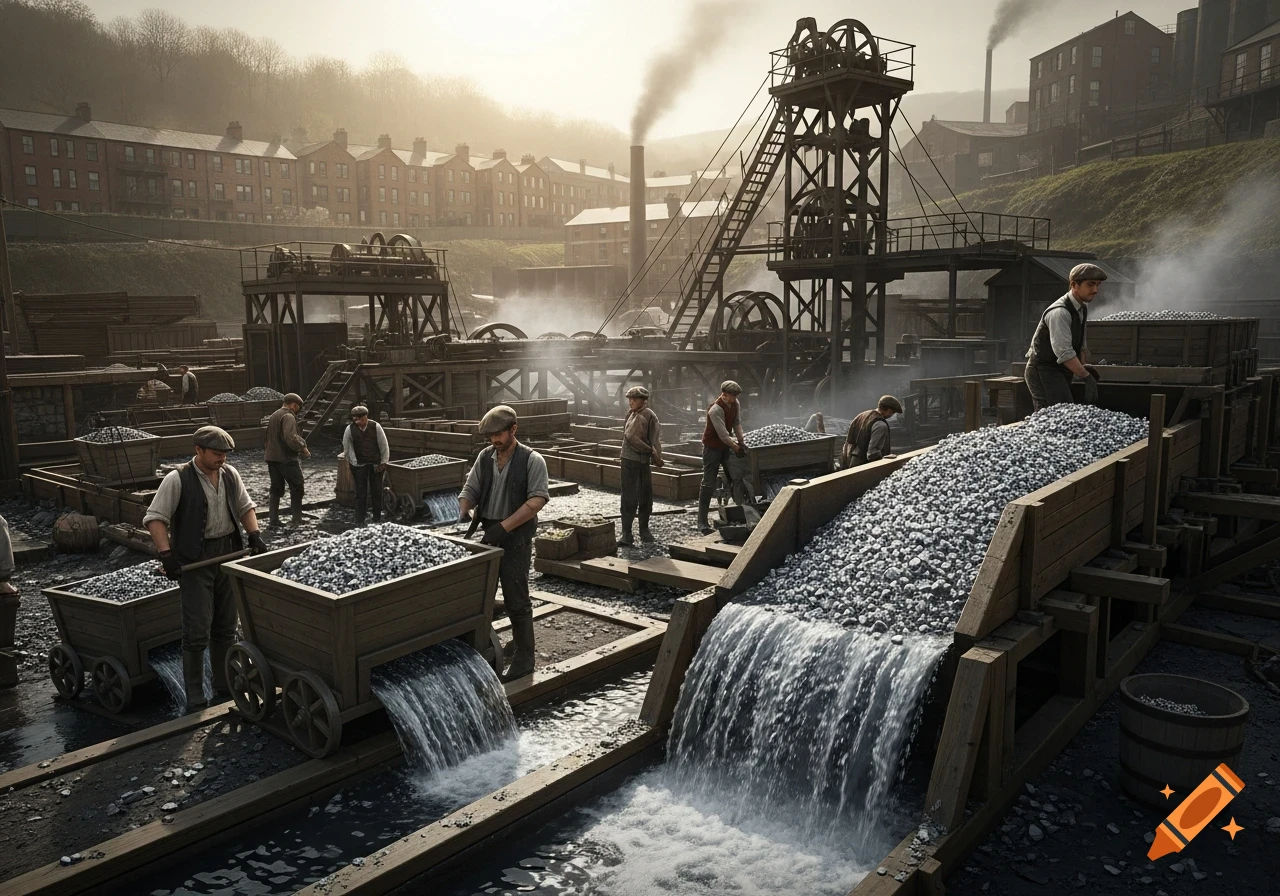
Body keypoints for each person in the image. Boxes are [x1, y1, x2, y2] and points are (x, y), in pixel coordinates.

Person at [143, 426, 266, 710]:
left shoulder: (230, 475)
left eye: (224, 454)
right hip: (196, 560)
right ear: (198, 450)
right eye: (216, 453)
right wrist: (167, 555)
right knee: (198, 627)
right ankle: (196, 694)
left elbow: (245, 506)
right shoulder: (178, 479)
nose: (221, 458)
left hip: (228, 554)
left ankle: (225, 686)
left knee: (226, 625)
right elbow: (155, 518)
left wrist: (254, 535)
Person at [458, 405, 550, 682]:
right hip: (488, 532)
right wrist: (464, 508)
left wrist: (505, 527)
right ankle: (488, 646)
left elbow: (536, 501)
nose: (495, 441)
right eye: (490, 437)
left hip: (516, 537)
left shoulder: (532, 460)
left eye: (499, 434)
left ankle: (525, 656)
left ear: (513, 430)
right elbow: (470, 488)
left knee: (516, 596)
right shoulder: (485, 457)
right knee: (482, 591)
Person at [1024, 262, 1106, 411]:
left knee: (1065, 413)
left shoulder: (1081, 307)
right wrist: (1085, 376)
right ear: (1074, 285)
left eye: (1098, 285)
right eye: (1090, 284)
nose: (1095, 290)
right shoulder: (1060, 312)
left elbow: (1080, 344)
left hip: (1059, 370)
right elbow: (1064, 352)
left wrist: (1082, 366)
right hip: (1044, 370)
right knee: (1054, 416)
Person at [698, 380, 747, 535]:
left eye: (735, 396)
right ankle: (702, 522)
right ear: (724, 394)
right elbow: (723, 435)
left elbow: (737, 423)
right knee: (708, 482)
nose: (734, 399)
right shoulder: (715, 410)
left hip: (725, 447)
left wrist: (741, 441)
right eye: (732, 396)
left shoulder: (735, 404)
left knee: (733, 478)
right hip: (712, 449)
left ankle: (736, 514)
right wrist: (736, 447)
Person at [619, 385, 664, 546]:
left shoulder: (649, 416)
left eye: (634, 399)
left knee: (645, 496)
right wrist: (651, 452)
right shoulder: (631, 414)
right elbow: (629, 437)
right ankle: (627, 533)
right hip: (629, 461)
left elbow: (655, 438)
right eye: (629, 399)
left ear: (643, 401)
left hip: (642, 463)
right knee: (628, 497)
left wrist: (657, 455)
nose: (631, 402)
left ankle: (644, 530)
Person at [265, 393, 310, 528]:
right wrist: (303, 448)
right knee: (297, 486)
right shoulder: (288, 416)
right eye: (297, 407)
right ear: (294, 405)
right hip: (286, 458)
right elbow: (291, 437)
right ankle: (297, 518)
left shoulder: (274, 415)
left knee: (276, 489)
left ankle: (273, 520)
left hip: (272, 458)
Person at [342, 405, 389, 527]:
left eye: (361, 420)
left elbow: (384, 445)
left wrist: (383, 462)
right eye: (355, 420)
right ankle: (360, 520)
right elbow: (347, 448)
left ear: (366, 417)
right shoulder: (349, 429)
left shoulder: (376, 427)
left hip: (375, 464)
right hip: (359, 464)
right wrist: (354, 462)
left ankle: (377, 517)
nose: (359, 423)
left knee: (376, 491)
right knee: (360, 493)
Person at [843, 395, 903, 467]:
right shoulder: (881, 425)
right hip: (864, 468)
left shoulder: (861, 415)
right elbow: (872, 454)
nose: (891, 415)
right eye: (892, 413)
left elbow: (847, 444)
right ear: (889, 411)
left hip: (851, 464)